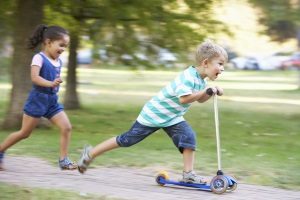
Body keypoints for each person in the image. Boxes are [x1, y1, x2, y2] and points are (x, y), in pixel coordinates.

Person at [78, 40, 227, 183]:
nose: (222, 68)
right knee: (127, 140)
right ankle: (90, 154)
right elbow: (184, 99)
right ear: (205, 63)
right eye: (220, 64)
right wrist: (206, 91)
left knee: (188, 137)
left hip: (172, 117)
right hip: (154, 114)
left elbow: (200, 99)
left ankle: (188, 175)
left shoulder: (201, 80)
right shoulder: (188, 77)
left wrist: (209, 93)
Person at [0, 24, 77, 170]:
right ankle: (0, 150)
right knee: (24, 133)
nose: (63, 49)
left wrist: (54, 84)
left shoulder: (58, 61)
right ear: (48, 42)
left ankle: (63, 160)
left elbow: (53, 79)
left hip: (52, 101)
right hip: (37, 100)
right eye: (61, 45)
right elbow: (35, 78)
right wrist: (51, 83)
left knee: (66, 127)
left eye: (65, 46)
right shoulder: (38, 58)